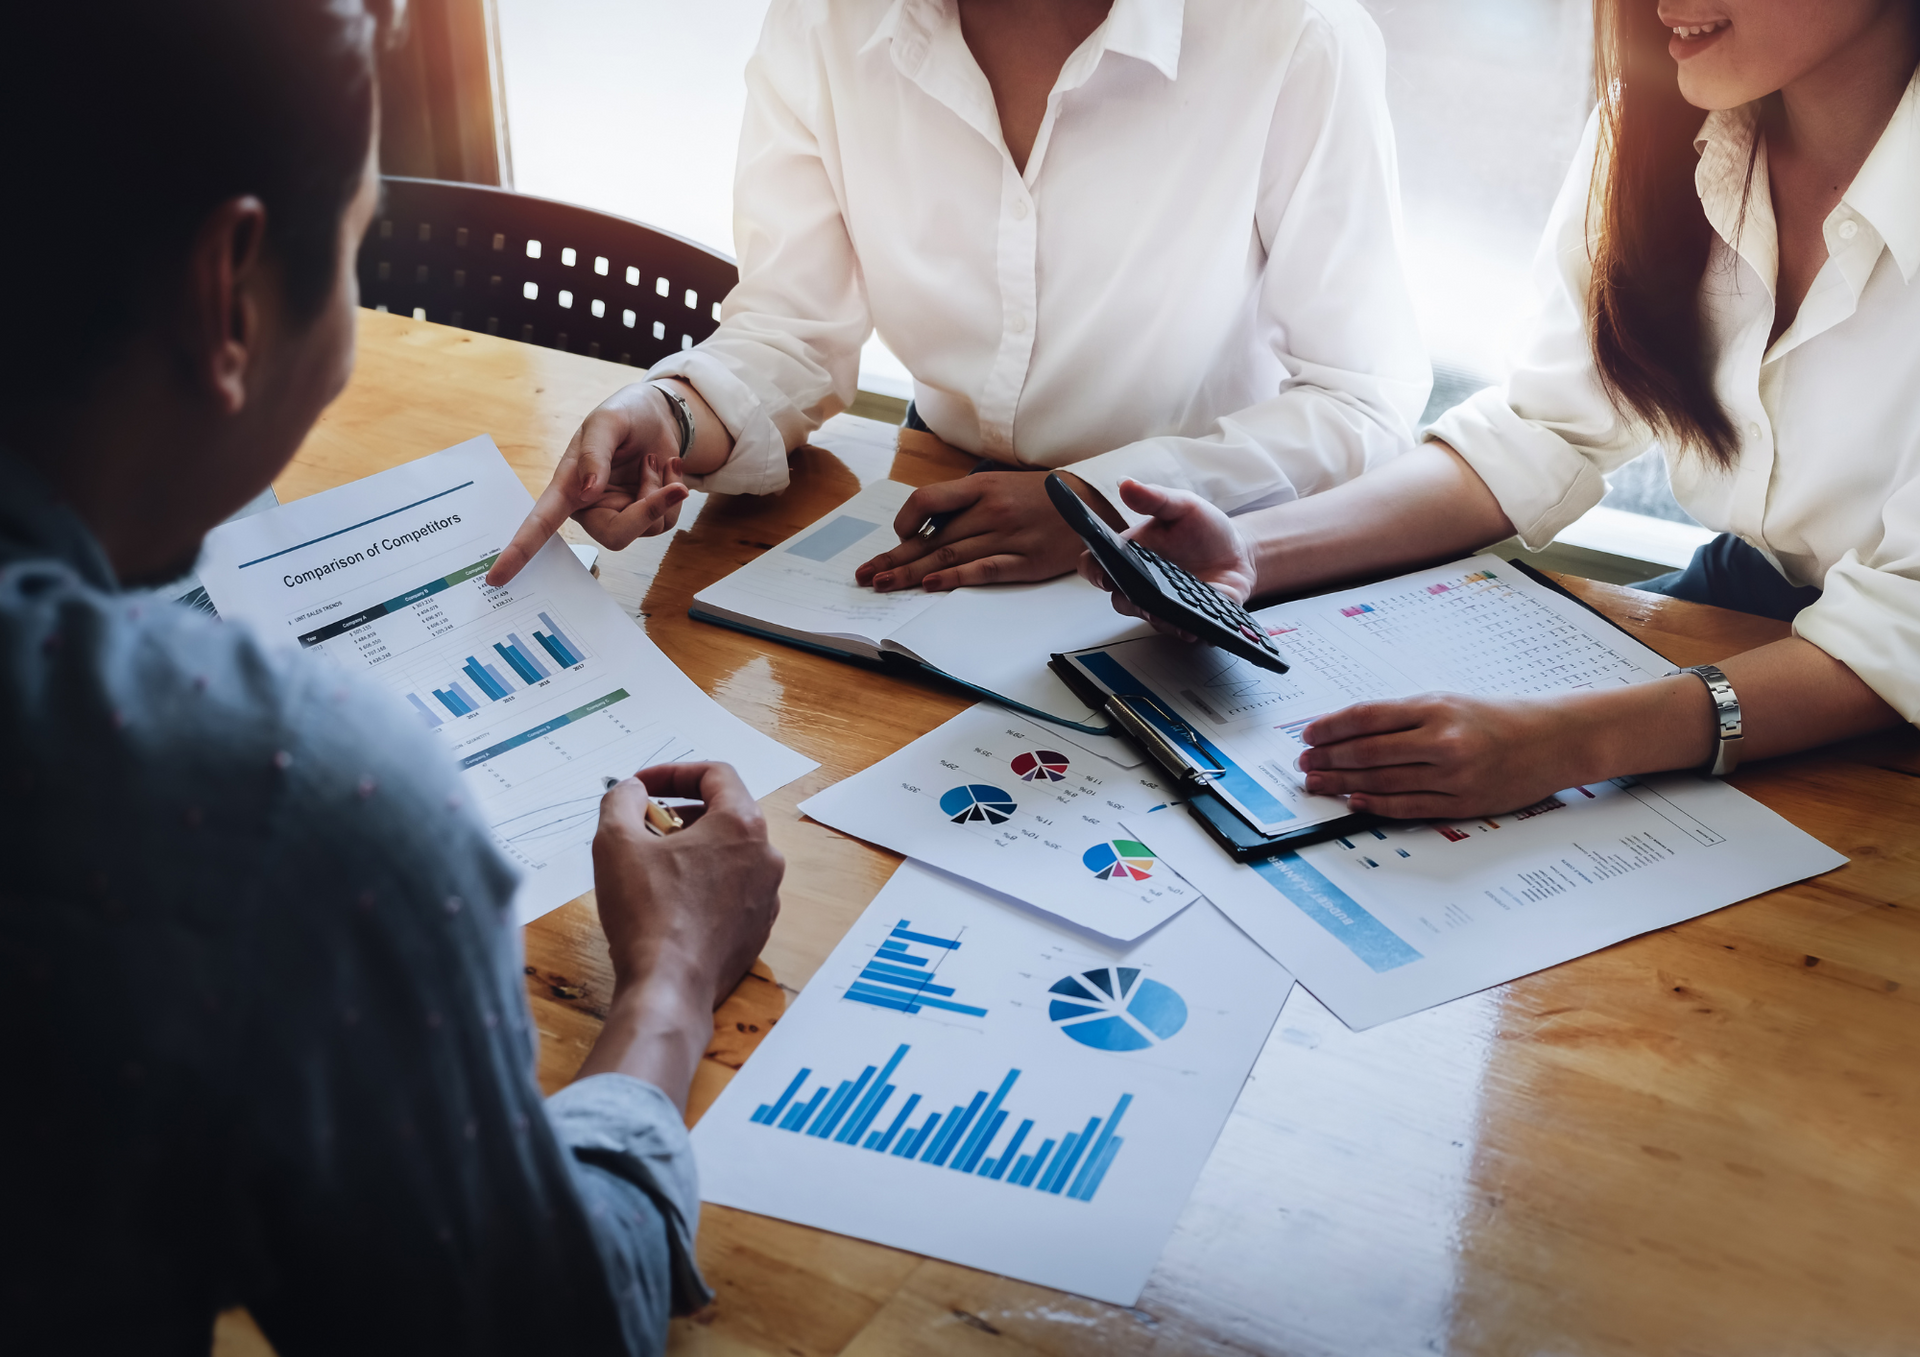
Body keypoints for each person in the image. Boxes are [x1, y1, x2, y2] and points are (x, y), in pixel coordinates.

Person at [0, 3, 782, 1351]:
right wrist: (670, 979)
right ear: (226, 290)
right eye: (358, 253)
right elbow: (550, 1328)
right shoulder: (270, 805)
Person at [1080, 0, 1917, 819]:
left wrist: (1566, 743)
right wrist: (1253, 554)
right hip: (1751, 599)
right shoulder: (1663, 131)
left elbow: (1902, 623)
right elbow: (1541, 429)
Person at [485, 0, 1430, 594]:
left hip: (1210, 557)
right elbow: (794, 330)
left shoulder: (1294, 34)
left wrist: (1088, 502)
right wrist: (671, 413)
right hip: (935, 524)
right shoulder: (825, 24)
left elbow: (1363, 398)